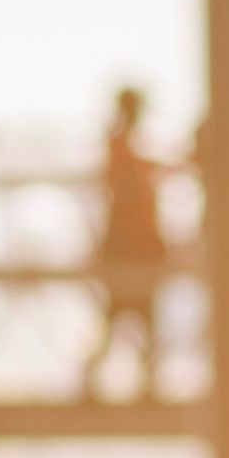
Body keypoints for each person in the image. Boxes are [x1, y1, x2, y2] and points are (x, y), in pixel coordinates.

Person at [84, 83, 173, 402]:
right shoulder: (120, 146)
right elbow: (127, 185)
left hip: (134, 247)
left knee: (132, 318)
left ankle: (143, 383)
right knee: (126, 317)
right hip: (129, 248)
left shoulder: (121, 145)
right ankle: (137, 383)